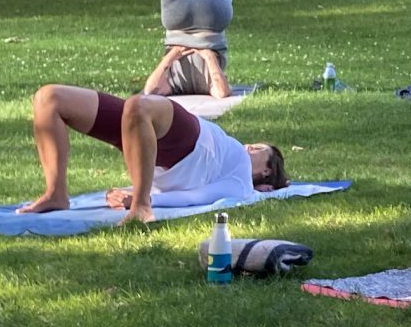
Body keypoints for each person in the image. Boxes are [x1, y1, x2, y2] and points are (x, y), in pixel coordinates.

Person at [16, 85, 285, 224]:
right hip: (162, 139)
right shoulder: (232, 154)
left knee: (138, 106)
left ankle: (140, 210)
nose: (250, 146)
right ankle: (56, 194)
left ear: (265, 171)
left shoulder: (240, 180)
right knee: (48, 98)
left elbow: (198, 197)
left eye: (260, 150)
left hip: (190, 143)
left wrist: (143, 200)